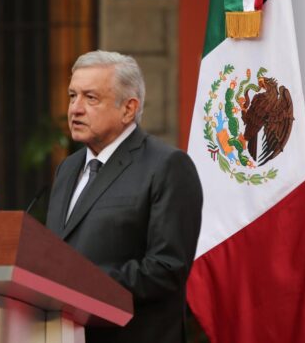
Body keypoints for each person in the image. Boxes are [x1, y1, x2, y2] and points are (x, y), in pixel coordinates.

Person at [45, 50, 203, 343]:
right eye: (72, 96)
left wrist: (78, 285)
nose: (75, 109)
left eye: (90, 98)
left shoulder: (167, 166)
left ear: (128, 109)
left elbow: (166, 269)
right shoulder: (67, 169)